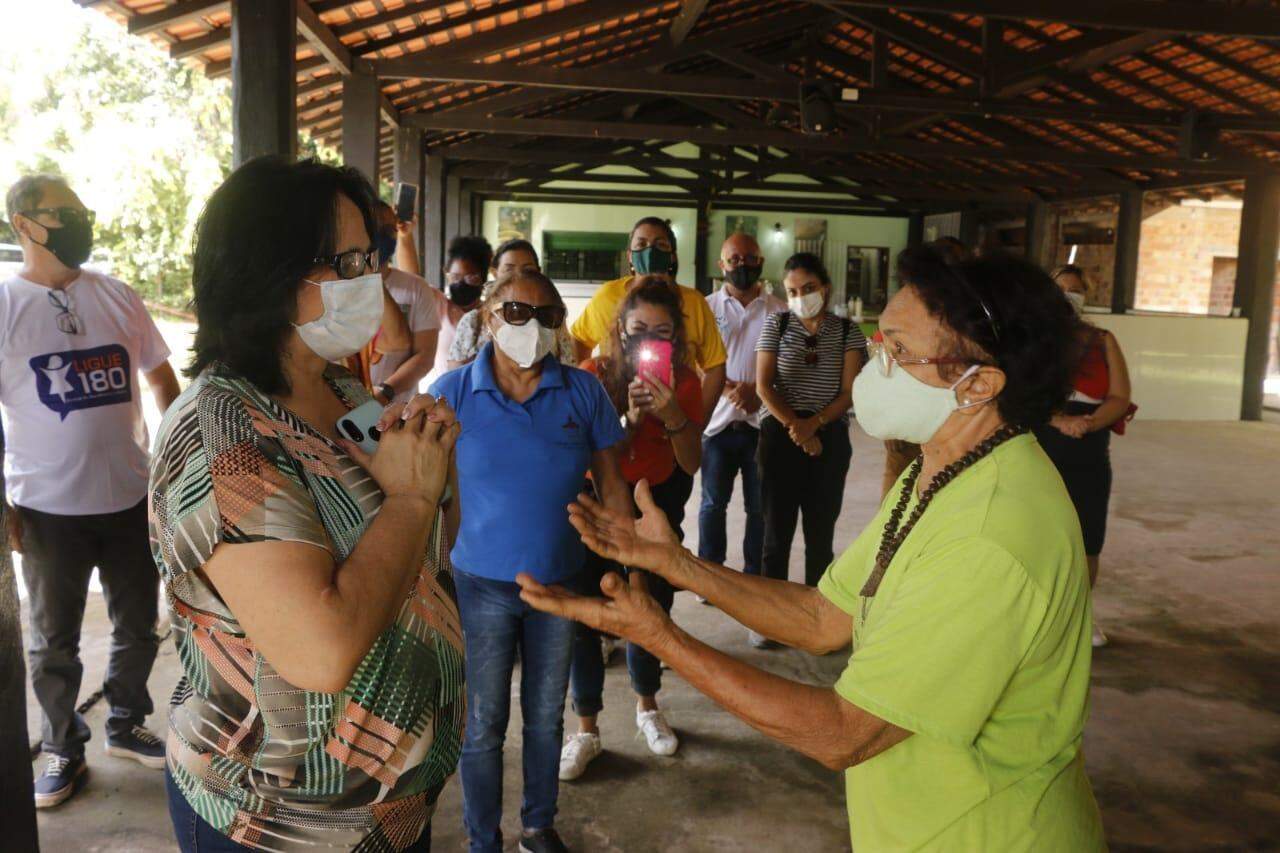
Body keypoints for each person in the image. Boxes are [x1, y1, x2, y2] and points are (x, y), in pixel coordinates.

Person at [519, 247, 1106, 852]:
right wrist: (677, 565)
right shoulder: (941, 468)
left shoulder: (991, 535)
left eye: (900, 353)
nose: (873, 364)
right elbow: (823, 618)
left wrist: (660, 634)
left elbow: (845, 733)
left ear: (978, 384)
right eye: (880, 343)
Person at [149, 157, 464, 852]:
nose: (371, 282)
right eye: (348, 262)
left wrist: (437, 477)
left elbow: (425, 548)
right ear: (274, 276)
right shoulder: (219, 431)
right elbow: (321, 652)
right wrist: (413, 494)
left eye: (370, 258)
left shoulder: (346, 395)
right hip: (281, 825)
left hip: (389, 810)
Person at [429, 270, 631, 853]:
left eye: (547, 316)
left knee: (545, 718)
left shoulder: (583, 391)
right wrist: (432, 573)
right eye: (516, 313)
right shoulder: (453, 393)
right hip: (479, 585)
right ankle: (481, 838)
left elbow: (613, 482)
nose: (532, 327)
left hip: (560, 586)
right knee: (484, 724)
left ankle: (537, 827)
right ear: (489, 318)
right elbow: (428, 492)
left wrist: (627, 563)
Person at [3, 174, 181, 808]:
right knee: (53, 641)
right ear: (24, 224)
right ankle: (61, 747)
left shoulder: (117, 296)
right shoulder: (4, 305)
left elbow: (163, 381)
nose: (81, 224)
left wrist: (171, 462)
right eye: (64, 214)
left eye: (84, 211)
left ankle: (127, 721)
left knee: (139, 624)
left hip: (131, 497)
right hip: (46, 508)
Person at [560, 278, 704, 782]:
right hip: (597, 499)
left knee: (650, 607)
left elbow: (691, 461)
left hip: (656, 505)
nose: (648, 341)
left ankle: (647, 707)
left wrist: (672, 417)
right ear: (619, 328)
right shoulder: (591, 376)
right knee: (587, 613)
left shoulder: (685, 381)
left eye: (661, 332)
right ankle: (587, 729)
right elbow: (587, 455)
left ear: (677, 337)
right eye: (639, 329)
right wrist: (627, 418)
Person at [755, 253, 866, 601]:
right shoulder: (777, 325)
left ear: (826, 288)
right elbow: (763, 385)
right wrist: (797, 429)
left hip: (829, 434)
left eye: (809, 288)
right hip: (780, 433)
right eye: (792, 291)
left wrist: (814, 425)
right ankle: (772, 616)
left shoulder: (848, 331)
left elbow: (849, 391)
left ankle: (816, 612)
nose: (800, 297)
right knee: (776, 533)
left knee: (820, 534)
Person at [1036, 264, 1132, 648]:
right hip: (1041, 443)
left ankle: (1080, 615)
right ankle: (1038, 615)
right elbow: (1016, 396)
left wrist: (1086, 424)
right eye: (1062, 289)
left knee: (1088, 536)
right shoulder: (1032, 341)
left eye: (1076, 290)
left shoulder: (1102, 339)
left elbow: (1120, 397)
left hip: (1090, 447)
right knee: (1040, 532)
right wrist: (1057, 420)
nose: (1069, 296)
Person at [570, 216, 727, 421]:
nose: (650, 250)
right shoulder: (607, 295)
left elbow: (715, 367)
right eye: (641, 244)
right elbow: (579, 339)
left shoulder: (694, 302)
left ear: (672, 256)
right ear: (630, 255)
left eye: (660, 245)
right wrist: (591, 391)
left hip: (674, 412)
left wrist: (697, 422)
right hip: (615, 415)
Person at [698, 232, 783, 599]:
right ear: (721, 265)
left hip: (762, 424)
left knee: (758, 508)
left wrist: (758, 390)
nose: (742, 265)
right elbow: (694, 361)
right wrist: (732, 387)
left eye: (750, 258)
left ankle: (752, 580)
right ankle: (711, 577)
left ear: (761, 261)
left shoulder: (780, 310)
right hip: (716, 423)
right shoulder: (705, 308)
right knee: (713, 504)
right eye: (734, 259)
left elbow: (789, 364)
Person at [879, 237, 974, 496]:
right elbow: (888, 368)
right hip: (907, 434)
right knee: (895, 513)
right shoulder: (908, 312)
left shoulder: (973, 323)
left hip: (959, 437)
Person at [448, 238, 576, 368]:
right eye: (509, 270)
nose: (518, 276)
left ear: (539, 272)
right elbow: (455, 375)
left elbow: (568, 365)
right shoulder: (474, 321)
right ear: (494, 272)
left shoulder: (551, 319)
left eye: (528, 270)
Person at [362, 201, 440, 404]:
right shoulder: (338, 284)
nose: (383, 235)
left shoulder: (416, 288)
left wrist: (385, 392)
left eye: (389, 229)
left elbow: (424, 356)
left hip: (398, 409)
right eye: (376, 228)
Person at [423, 234, 493, 386]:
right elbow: (414, 280)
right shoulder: (440, 306)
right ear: (446, 273)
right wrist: (405, 236)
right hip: (443, 395)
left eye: (470, 278)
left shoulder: (490, 316)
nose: (461, 283)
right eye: (455, 277)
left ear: (483, 279)